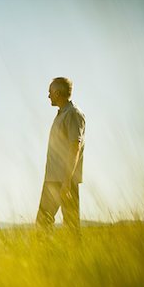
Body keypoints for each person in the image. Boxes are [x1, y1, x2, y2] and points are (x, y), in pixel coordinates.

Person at [36, 77, 86, 240]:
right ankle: (48, 261)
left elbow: (75, 147)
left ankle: (77, 263)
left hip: (64, 180)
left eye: (50, 92)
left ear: (57, 93)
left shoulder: (72, 114)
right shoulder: (61, 114)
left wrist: (66, 181)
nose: (48, 96)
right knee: (43, 224)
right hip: (52, 179)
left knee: (70, 227)